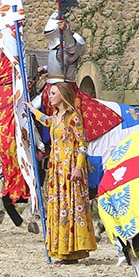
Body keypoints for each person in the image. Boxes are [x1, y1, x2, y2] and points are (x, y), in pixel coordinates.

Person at [34, 81, 97, 263]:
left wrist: (78, 167)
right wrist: (30, 109)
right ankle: (62, 249)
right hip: (57, 169)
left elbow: (82, 144)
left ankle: (73, 250)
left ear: (62, 95)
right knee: (59, 207)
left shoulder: (73, 118)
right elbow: (45, 121)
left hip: (71, 168)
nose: (50, 96)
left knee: (71, 207)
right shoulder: (54, 117)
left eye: (53, 93)